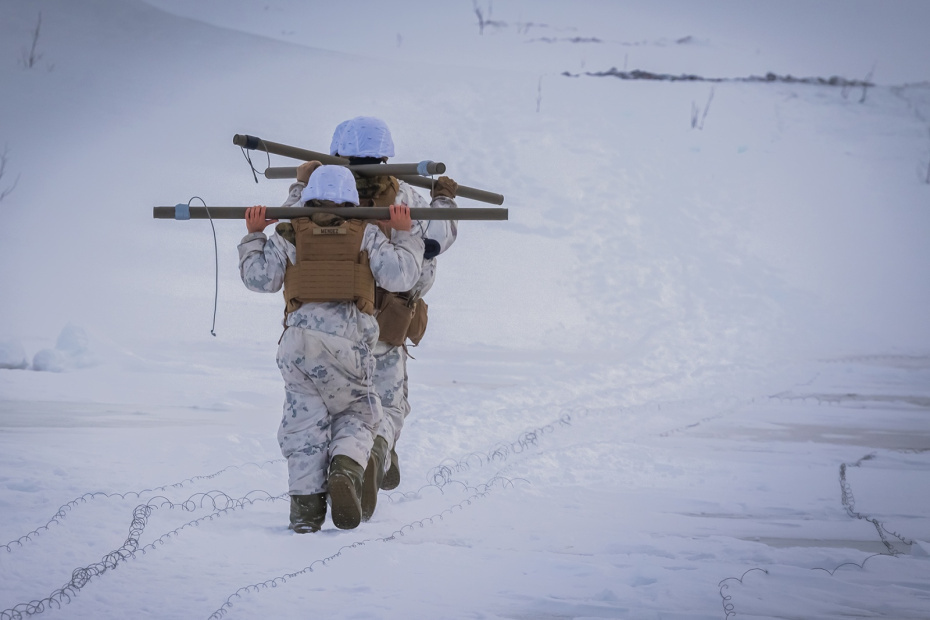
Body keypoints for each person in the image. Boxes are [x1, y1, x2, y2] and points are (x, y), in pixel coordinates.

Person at [238, 164, 424, 533]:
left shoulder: (290, 231)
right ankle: (346, 468)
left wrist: (254, 235)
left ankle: (305, 512)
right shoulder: (366, 233)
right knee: (359, 413)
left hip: (297, 344)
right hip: (346, 342)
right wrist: (404, 234)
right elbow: (400, 276)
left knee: (303, 426)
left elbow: (260, 278)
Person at [327, 116, 459, 521]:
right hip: (387, 320)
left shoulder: (324, 194)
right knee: (388, 405)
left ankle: (347, 466)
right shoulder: (405, 196)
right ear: (386, 156)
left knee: (343, 409)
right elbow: (437, 240)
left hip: (329, 321)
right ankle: (377, 452)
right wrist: (443, 200)